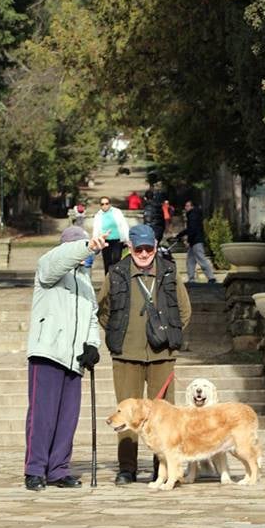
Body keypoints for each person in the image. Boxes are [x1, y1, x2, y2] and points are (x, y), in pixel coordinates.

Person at [97, 223, 192, 485]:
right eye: (138, 248)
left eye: (149, 248)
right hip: (126, 355)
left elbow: (184, 311)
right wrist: (119, 333)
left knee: (165, 416)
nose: (144, 253)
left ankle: (162, 467)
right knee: (126, 415)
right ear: (130, 247)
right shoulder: (116, 273)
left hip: (162, 355)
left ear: (155, 247)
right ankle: (127, 468)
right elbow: (104, 310)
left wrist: (168, 334)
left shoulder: (170, 271)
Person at [24, 226, 106, 491]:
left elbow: (91, 317)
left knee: (67, 418)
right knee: (42, 416)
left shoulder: (84, 282)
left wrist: (92, 345)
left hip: (74, 359)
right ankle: (35, 469)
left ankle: (58, 469)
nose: (87, 254)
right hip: (48, 352)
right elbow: (59, 261)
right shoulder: (48, 266)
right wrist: (87, 246)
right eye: (81, 247)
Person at [180, 199, 217, 284]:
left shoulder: (193, 215)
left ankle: (211, 277)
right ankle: (191, 278)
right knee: (190, 260)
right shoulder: (192, 215)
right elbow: (189, 229)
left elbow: (192, 229)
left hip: (196, 240)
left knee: (201, 259)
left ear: (192, 206)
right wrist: (180, 235)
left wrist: (188, 240)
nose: (185, 208)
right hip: (194, 240)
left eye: (187, 206)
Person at [92, 196, 130, 273]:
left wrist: (127, 239)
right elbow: (96, 229)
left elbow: (123, 225)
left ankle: (117, 277)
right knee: (107, 261)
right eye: (102, 204)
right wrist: (95, 241)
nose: (104, 206)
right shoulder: (98, 215)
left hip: (117, 240)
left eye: (106, 203)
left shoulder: (117, 212)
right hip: (105, 241)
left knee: (116, 259)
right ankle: (107, 279)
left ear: (110, 204)